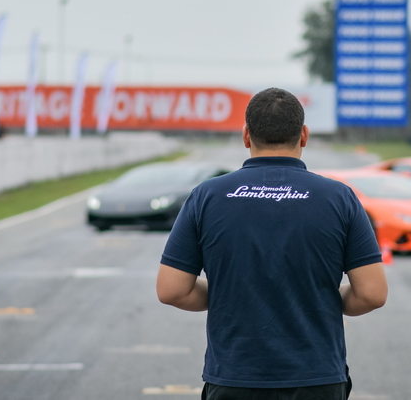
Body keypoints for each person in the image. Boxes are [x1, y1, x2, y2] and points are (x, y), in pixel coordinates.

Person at [157, 87, 388, 399]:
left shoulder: (206, 196)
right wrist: (320, 298)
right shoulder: (339, 198)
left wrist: (230, 291)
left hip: (234, 378)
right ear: (304, 135)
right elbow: (372, 294)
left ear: (246, 135)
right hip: (316, 378)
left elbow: (172, 289)